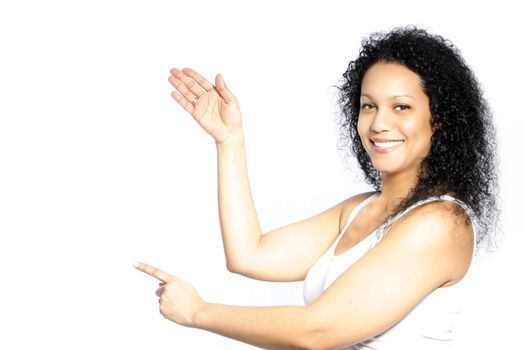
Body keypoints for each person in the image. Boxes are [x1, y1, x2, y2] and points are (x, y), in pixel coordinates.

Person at [134, 26, 498, 349]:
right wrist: (229, 141)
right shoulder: (356, 211)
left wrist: (199, 313)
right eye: (368, 106)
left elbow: (316, 332)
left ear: (441, 120)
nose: (379, 123)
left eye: (401, 107)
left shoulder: (441, 223)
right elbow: (249, 255)